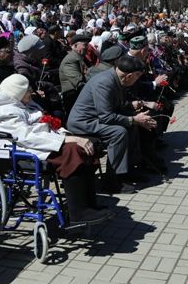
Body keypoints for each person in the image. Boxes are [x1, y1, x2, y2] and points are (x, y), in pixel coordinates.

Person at [0, 74, 111, 227]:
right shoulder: (5, 111)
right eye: (28, 91)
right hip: (23, 149)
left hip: (42, 141)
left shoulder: (24, 103)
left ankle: (89, 205)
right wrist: (65, 140)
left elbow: (46, 124)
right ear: (17, 93)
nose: (31, 93)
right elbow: (26, 136)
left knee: (83, 149)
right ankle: (78, 214)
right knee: (72, 152)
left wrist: (66, 135)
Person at [66, 54, 157, 194]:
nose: (138, 79)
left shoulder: (116, 79)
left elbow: (116, 106)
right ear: (128, 75)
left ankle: (127, 170)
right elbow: (106, 117)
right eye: (137, 76)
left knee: (131, 126)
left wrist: (136, 117)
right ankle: (111, 181)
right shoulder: (105, 83)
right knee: (118, 132)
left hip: (96, 118)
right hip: (83, 122)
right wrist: (134, 119)